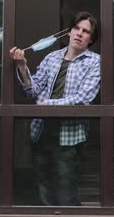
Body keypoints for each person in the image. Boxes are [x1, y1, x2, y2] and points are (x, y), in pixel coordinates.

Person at [9, 11, 101, 206]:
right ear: (69, 32)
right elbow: (33, 91)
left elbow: (83, 100)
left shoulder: (95, 62)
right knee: (43, 193)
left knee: (66, 195)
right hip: (41, 132)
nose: (79, 33)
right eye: (76, 28)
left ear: (91, 39)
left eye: (85, 31)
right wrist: (23, 66)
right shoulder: (52, 57)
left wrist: (47, 104)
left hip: (69, 138)